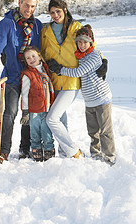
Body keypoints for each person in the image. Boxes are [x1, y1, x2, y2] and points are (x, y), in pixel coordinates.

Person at [0, 0, 43, 161]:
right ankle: (4, 149)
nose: (28, 9)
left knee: (30, 113)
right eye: (26, 5)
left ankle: (25, 148)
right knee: (10, 113)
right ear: (19, 2)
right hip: (13, 76)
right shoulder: (7, 24)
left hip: (32, 78)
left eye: (32, 6)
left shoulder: (37, 26)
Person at [41, 0, 107, 159]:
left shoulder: (76, 27)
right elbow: (41, 52)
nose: (55, 15)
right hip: (54, 80)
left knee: (52, 118)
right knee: (60, 118)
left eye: (58, 11)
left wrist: (103, 60)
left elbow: (90, 46)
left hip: (72, 81)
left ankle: (73, 151)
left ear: (65, 9)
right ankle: (64, 151)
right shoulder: (46, 31)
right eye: (52, 12)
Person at [48, 25, 116, 165]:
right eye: (79, 42)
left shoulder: (94, 55)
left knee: (105, 131)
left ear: (91, 42)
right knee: (93, 132)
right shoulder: (81, 56)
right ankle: (96, 155)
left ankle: (109, 158)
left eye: (85, 42)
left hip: (101, 99)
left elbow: (77, 73)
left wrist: (59, 69)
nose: (82, 45)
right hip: (89, 101)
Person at [20, 46, 55, 162]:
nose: (31, 59)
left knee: (46, 130)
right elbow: (24, 94)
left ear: (39, 56)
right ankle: (36, 149)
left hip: (47, 107)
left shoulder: (45, 70)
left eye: (33, 56)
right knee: (34, 132)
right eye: (28, 58)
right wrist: (25, 112)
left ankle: (49, 149)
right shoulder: (27, 74)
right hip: (34, 110)